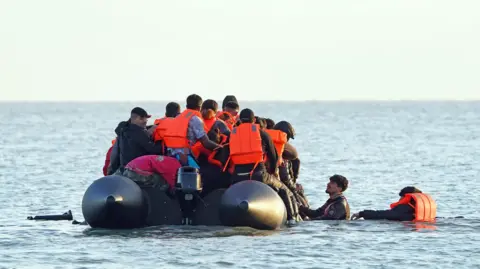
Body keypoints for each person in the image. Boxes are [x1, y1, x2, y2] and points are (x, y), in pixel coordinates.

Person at [225, 108, 300, 223]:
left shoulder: (232, 134)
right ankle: (292, 220)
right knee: (285, 191)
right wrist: (273, 170)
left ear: (240, 119)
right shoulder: (261, 132)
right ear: (253, 120)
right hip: (258, 174)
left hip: (237, 177)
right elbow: (273, 154)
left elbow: (225, 155)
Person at [162, 94, 221, 169]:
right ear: (199, 108)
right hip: (183, 156)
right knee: (198, 175)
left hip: (170, 154)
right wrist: (220, 147)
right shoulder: (195, 119)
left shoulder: (177, 117)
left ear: (186, 106)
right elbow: (206, 143)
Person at [108, 107, 164, 174]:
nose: (146, 121)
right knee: (161, 180)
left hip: (124, 169)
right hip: (136, 171)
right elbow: (155, 149)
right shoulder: (139, 133)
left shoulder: (124, 130)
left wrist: (148, 130)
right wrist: (161, 140)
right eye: (144, 119)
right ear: (138, 118)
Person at [351, 187, 437, 222]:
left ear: (407, 197)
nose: (399, 199)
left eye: (401, 197)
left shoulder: (403, 208)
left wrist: (362, 213)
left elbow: (382, 214)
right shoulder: (421, 210)